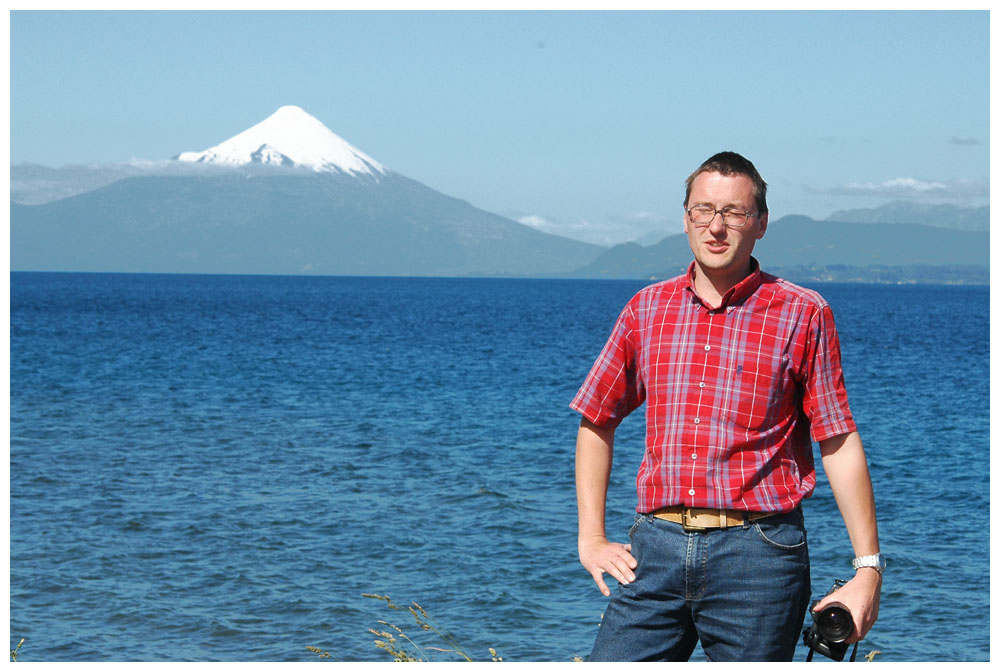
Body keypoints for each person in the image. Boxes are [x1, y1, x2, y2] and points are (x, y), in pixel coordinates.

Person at [570, 151, 882, 661]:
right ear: (685, 218)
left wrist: (867, 569)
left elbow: (838, 440)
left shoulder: (804, 313)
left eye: (734, 213)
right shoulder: (646, 310)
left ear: (760, 223)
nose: (717, 227)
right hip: (653, 550)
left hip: (759, 559)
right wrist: (591, 538)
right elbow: (596, 419)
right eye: (703, 210)